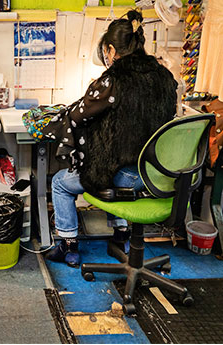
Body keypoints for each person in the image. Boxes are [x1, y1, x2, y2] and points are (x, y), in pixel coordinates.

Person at [43, 10, 177, 267]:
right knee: (116, 161)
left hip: (124, 176)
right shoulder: (165, 77)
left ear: (112, 50)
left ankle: (69, 246)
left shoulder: (112, 81)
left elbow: (78, 115)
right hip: (156, 175)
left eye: (106, 51)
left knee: (62, 182)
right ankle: (121, 235)